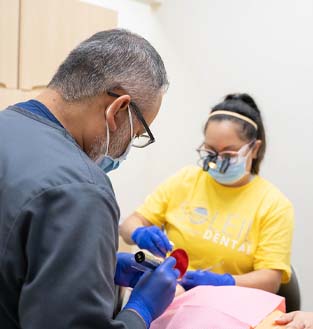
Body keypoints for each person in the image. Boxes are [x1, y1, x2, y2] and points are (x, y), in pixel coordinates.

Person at [0, 29, 180, 329]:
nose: (124, 150)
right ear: (118, 109)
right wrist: (141, 311)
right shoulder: (82, 189)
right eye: (135, 135)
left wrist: (97, 270)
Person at [120, 93, 294, 294]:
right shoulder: (185, 180)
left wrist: (223, 282)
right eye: (211, 151)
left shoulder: (274, 205)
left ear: (254, 149)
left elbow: (271, 281)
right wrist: (138, 232)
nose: (218, 161)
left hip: (231, 302)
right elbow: (128, 225)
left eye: (229, 153)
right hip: (174, 294)